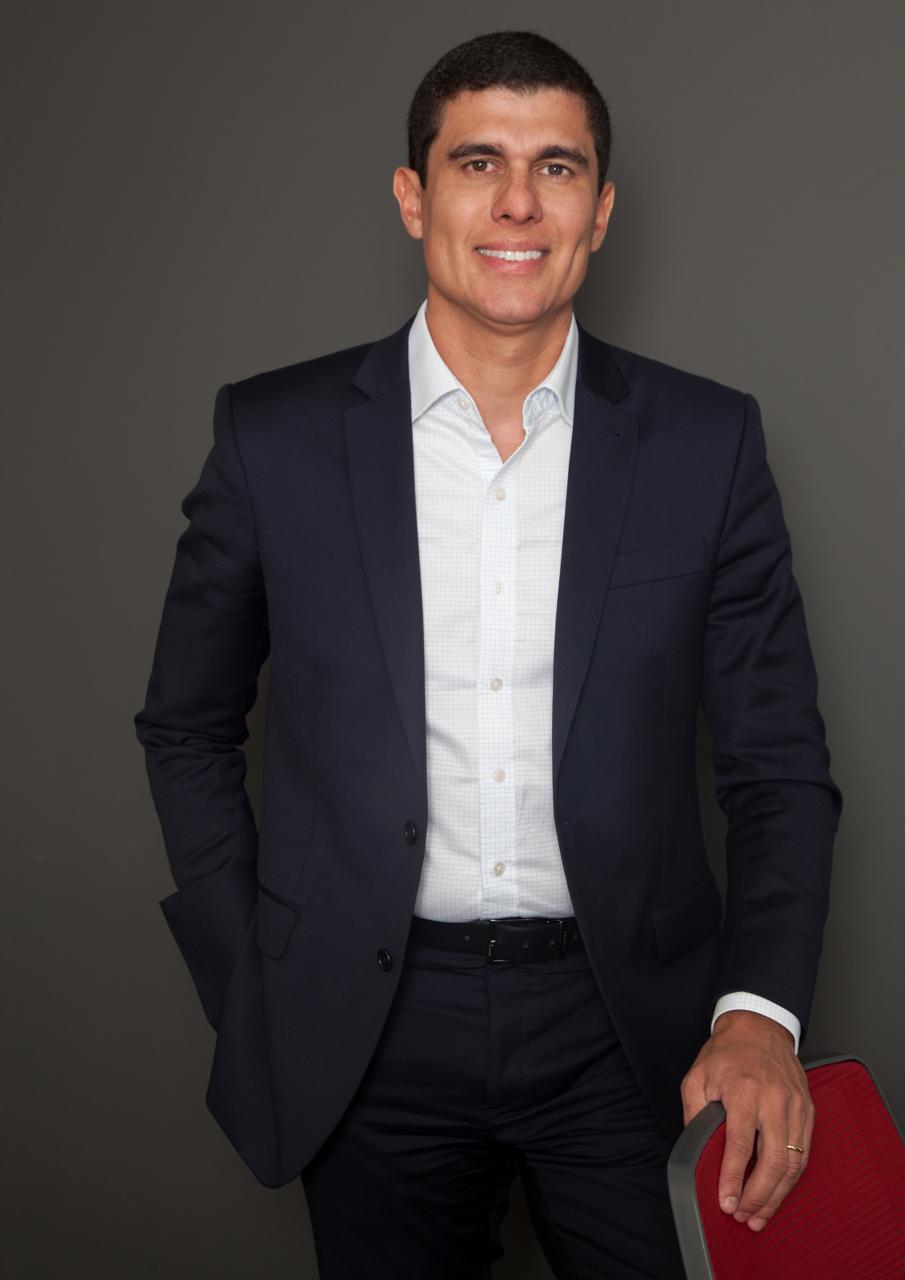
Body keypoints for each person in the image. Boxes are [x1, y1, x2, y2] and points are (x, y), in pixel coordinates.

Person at [134, 29, 843, 1279]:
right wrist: (257, 973)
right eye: (477, 162)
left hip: (630, 1025)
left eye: (555, 167)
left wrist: (756, 1016)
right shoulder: (272, 439)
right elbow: (184, 724)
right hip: (365, 1026)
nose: (517, 202)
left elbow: (775, 765)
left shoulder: (705, 443)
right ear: (414, 197)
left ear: (599, 210)